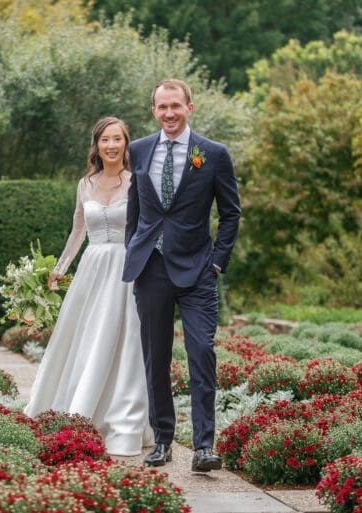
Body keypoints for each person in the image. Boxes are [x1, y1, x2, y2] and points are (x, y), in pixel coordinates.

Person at [123, 79, 241, 472]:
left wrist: (218, 261)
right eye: (162, 107)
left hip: (198, 271)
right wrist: (132, 251)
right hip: (151, 270)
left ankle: (204, 447)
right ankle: (163, 440)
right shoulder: (138, 150)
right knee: (155, 358)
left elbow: (231, 213)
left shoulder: (213, 154)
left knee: (201, 354)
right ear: (153, 110)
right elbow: (136, 210)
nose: (169, 113)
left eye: (176, 106)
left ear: (190, 107)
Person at [24, 117, 151, 456]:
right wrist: (59, 270)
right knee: (85, 337)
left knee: (122, 341)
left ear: (126, 144)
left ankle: (120, 420)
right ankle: (77, 409)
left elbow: (148, 229)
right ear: (96, 146)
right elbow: (77, 231)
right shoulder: (85, 184)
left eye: (117, 139)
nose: (111, 146)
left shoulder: (137, 181)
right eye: (105, 140)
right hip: (92, 270)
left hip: (126, 270)